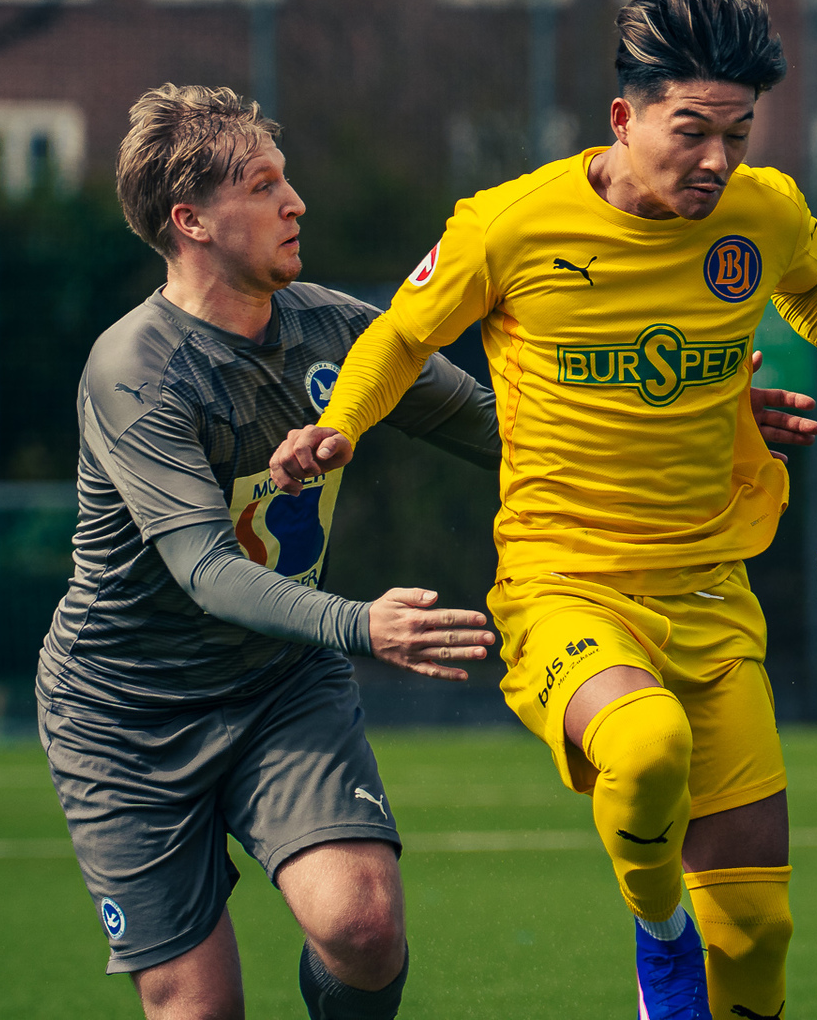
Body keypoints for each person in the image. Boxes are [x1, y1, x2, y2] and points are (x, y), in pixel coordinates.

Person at [269, 0, 817, 1020]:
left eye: (738, 133)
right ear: (623, 116)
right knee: (646, 746)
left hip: (709, 590)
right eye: (691, 131)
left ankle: (701, 952)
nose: (717, 160)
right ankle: (660, 932)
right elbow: (400, 335)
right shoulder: (511, 224)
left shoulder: (764, 211)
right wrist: (344, 426)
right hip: (564, 586)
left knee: (758, 933)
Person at [38, 84, 502, 1020]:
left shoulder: (339, 329)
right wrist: (361, 624)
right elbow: (208, 572)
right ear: (191, 221)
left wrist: (701, 426)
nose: (296, 203)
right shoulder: (137, 370)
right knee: (199, 1008)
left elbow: (506, 430)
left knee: (363, 927)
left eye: (285, 180)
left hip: (279, 683)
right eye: (262, 186)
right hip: (126, 715)